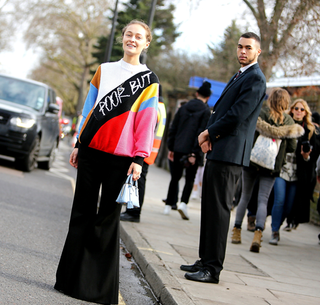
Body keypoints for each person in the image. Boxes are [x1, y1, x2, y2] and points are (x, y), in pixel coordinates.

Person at [54, 20, 159, 304]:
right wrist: (78, 142)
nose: (132, 40)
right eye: (128, 35)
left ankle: (96, 288)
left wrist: (140, 158)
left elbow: (146, 123)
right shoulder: (104, 70)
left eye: (139, 37)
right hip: (91, 152)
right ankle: (68, 281)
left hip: (122, 159)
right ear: (122, 38)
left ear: (146, 43)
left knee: (108, 220)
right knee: (81, 214)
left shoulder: (149, 81)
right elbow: (89, 109)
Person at [180, 32, 266, 284]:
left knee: (218, 211)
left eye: (248, 48)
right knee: (209, 208)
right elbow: (220, 110)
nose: (242, 51)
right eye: (240, 47)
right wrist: (209, 137)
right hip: (219, 149)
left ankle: (212, 269)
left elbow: (237, 115)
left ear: (257, 52)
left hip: (231, 154)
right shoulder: (241, 74)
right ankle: (204, 259)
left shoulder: (256, 79)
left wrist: (208, 132)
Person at [231, 88, 303, 250]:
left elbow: (250, 135)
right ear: (286, 102)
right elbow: (292, 147)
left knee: (245, 196)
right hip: (272, 166)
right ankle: (258, 234)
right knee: (263, 199)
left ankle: (236, 231)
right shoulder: (289, 122)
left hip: (253, 162)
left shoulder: (261, 114)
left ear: (270, 99)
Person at [163, 81, 212, 219]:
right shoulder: (205, 112)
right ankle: (183, 204)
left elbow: (173, 128)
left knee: (175, 177)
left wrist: (171, 147)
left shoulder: (183, 108)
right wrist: (194, 152)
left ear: (196, 94)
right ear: (207, 97)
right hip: (193, 152)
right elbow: (201, 132)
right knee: (190, 179)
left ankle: (168, 205)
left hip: (178, 148)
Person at [120, 86, 167, 223]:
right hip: (150, 152)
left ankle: (133, 212)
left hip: (144, 152)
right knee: (138, 181)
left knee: (137, 182)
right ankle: (132, 210)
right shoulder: (161, 107)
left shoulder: (154, 108)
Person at [278, 99, 319, 231]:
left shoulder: (310, 130)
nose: (299, 111)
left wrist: (306, 156)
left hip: (297, 173)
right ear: (292, 110)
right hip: (282, 169)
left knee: (289, 205)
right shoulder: (284, 123)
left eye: (302, 109)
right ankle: (274, 229)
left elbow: (312, 157)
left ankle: (278, 223)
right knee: (279, 200)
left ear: (305, 112)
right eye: (296, 108)